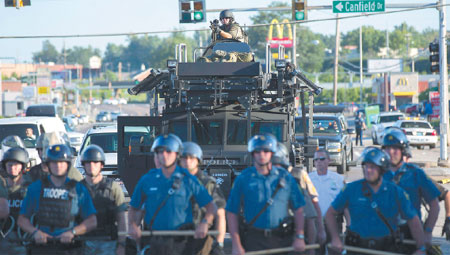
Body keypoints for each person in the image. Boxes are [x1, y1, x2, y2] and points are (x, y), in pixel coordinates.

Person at [326, 147, 426, 255]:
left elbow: (413, 220)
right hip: (357, 248)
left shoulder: (396, 192)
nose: (368, 170)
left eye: (372, 167)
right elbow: (330, 213)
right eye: (366, 166)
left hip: (387, 249)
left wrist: (421, 248)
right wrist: (335, 238)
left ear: (382, 169)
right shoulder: (351, 189)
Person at [128, 134, 217, 255]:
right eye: (160, 151)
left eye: (168, 151)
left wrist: (205, 223)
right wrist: (132, 225)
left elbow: (211, 206)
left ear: (177, 154)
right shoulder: (147, 179)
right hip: (154, 242)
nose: (164, 155)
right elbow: (134, 207)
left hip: (183, 244)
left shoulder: (189, 180)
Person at [226, 134, 306, 255]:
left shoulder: (286, 177)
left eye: (266, 151)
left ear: (272, 153)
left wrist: (300, 236)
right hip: (253, 239)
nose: (262, 154)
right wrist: (236, 244)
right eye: (257, 151)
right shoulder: (243, 179)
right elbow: (232, 212)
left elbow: (299, 209)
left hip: (282, 239)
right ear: (252, 153)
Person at [18, 144, 97, 255]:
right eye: (54, 162)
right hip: (42, 248)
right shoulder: (35, 188)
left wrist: (73, 232)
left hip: (70, 248)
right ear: (48, 165)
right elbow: (22, 219)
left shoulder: (78, 189)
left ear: (68, 164)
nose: (58, 166)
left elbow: (92, 221)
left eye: (61, 162)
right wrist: (35, 232)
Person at [382, 128, 440, 251]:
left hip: (411, 234)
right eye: (387, 148)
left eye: (395, 148)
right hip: (383, 235)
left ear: (403, 151)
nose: (391, 152)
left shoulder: (416, 173)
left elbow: (434, 205)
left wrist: (428, 232)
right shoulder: (378, 174)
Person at [271, 142, 326, 255]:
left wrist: (311, 247)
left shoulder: (298, 175)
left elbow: (312, 210)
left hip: (295, 232)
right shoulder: (261, 177)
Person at [180, 141, 226, 255]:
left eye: (191, 158)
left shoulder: (208, 184)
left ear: (198, 160)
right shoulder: (172, 182)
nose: (187, 161)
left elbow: (220, 215)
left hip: (202, 242)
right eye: (184, 158)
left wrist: (219, 244)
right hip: (176, 242)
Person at [80, 145, 127, 255]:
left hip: (108, 241)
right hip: (83, 242)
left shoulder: (113, 188)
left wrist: (122, 244)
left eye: (95, 162)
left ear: (101, 165)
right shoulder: (77, 188)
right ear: (83, 165)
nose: (92, 166)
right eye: (88, 162)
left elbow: (121, 219)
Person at [308, 148, 349, 255]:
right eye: (316, 160)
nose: (319, 162)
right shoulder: (308, 179)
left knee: (334, 251)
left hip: (335, 223)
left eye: (322, 159)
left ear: (329, 161)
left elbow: (345, 205)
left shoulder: (338, 179)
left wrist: (349, 225)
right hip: (315, 224)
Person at [0, 147, 32, 254]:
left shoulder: (31, 188)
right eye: (9, 165)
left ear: (23, 166)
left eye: (16, 165)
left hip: (25, 238)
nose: (13, 168)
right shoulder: (2, 188)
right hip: (3, 236)